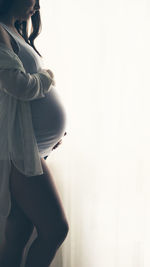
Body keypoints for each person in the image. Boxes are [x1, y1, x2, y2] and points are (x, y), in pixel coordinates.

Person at [0, 0, 69, 266]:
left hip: (29, 146)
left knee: (18, 233)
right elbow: (16, 85)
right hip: (20, 151)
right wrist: (47, 77)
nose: (37, 6)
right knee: (56, 230)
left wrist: (50, 133)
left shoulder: (13, 30)